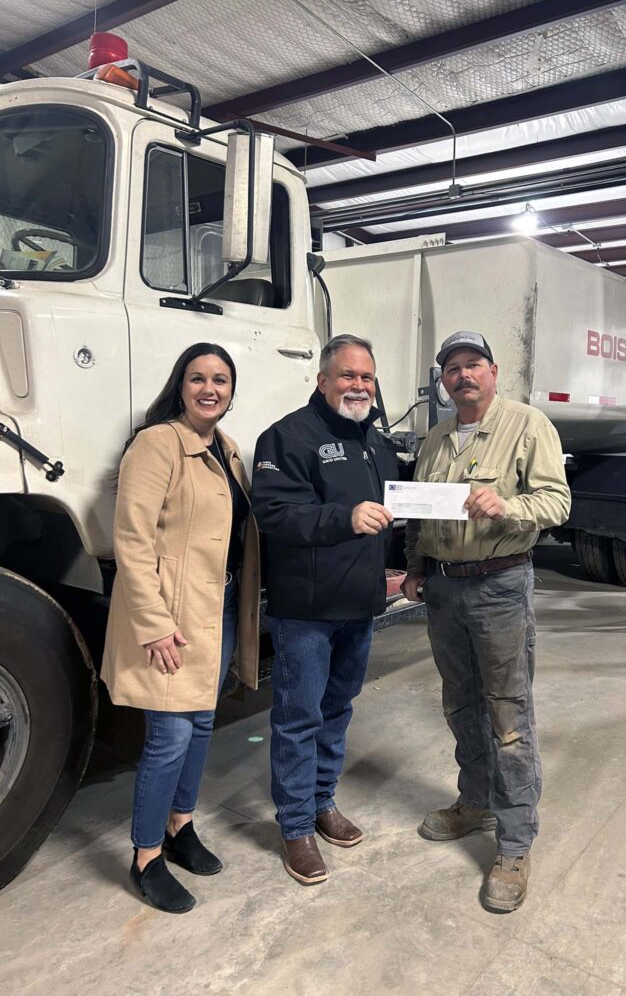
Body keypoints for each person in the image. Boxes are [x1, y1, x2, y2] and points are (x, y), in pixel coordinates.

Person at [401, 330, 570, 913]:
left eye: (473, 365)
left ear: (493, 372)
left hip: (499, 584)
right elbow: (420, 511)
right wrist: (416, 569)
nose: (463, 375)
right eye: (453, 369)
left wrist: (508, 504)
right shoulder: (437, 438)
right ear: (443, 380)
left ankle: (516, 842)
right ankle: (475, 802)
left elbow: (558, 502)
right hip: (445, 588)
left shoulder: (528, 425)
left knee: (508, 713)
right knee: (459, 701)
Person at [102, 343, 260, 914]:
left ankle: (179, 824)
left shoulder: (230, 450)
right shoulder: (158, 443)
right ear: (181, 385)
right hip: (169, 617)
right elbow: (132, 540)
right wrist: (154, 625)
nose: (210, 388)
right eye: (198, 378)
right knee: (168, 738)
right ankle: (146, 856)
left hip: (214, 613)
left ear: (231, 390)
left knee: (201, 723)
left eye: (221, 379)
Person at [251, 333, 399, 886]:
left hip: (360, 606)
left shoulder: (377, 445)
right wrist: (344, 517)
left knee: (337, 711)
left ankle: (322, 802)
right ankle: (294, 828)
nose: (358, 385)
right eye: (347, 375)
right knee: (298, 718)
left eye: (366, 377)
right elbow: (274, 514)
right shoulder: (287, 437)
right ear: (322, 380)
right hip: (306, 612)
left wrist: (411, 566)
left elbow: (396, 515)